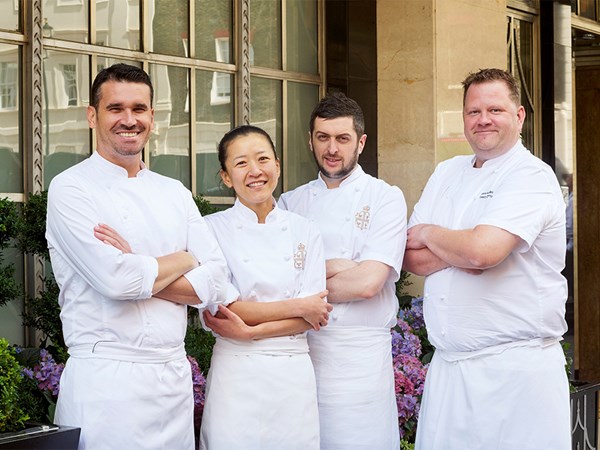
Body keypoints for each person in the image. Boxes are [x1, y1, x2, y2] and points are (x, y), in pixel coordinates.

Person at [46, 63, 229, 450]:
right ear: (92, 116)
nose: (129, 120)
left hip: (172, 384)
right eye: (116, 108)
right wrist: (185, 258)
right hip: (106, 385)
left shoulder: (175, 191)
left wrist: (139, 263)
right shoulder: (70, 189)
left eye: (139, 109)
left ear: (152, 116)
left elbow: (216, 283)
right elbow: (118, 281)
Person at [403, 68, 570, 450]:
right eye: (473, 111)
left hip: (514, 372)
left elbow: (483, 252)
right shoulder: (446, 172)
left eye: (495, 109)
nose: (483, 120)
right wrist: (468, 246)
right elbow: (412, 258)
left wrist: (432, 233)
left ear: (520, 115)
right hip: (449, 372)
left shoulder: (531, 176)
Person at [278, 92, 407, 449]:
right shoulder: (290, 202)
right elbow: (283, 284)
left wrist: (312, 277)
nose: (331, 148)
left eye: (342, 139)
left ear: (361, 143)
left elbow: (369, 283)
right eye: (323, 138)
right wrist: (340, 266)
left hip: (361, 358)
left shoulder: (385, 197)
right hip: (304, 352)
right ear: (310, 140)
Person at [198, 125, 331, 450]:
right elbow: (224, 311)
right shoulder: (209, 230)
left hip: (292, 374)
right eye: (241, 163)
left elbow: (316, 315)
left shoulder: (306, 230)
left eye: (262, 159)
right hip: (237, 374)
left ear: (278, 165)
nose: (255, 171)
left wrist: (250, 330)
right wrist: (298, 306)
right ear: (226, 177)